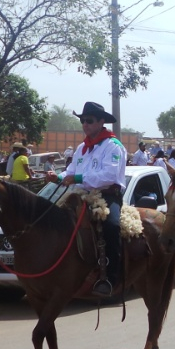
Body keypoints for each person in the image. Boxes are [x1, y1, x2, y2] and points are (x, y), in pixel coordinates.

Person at [46, 101, 126, 297]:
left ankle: (110, 278)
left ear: (101, 122)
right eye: (82, 121)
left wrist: (78, 178)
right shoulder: (82, 147)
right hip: (80, 194)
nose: (85, 125)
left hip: (106, 195)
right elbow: (71, 172)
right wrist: (57, 177)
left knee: (112, 225)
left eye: (89, 121)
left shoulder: (114, 146)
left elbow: (109, 175)